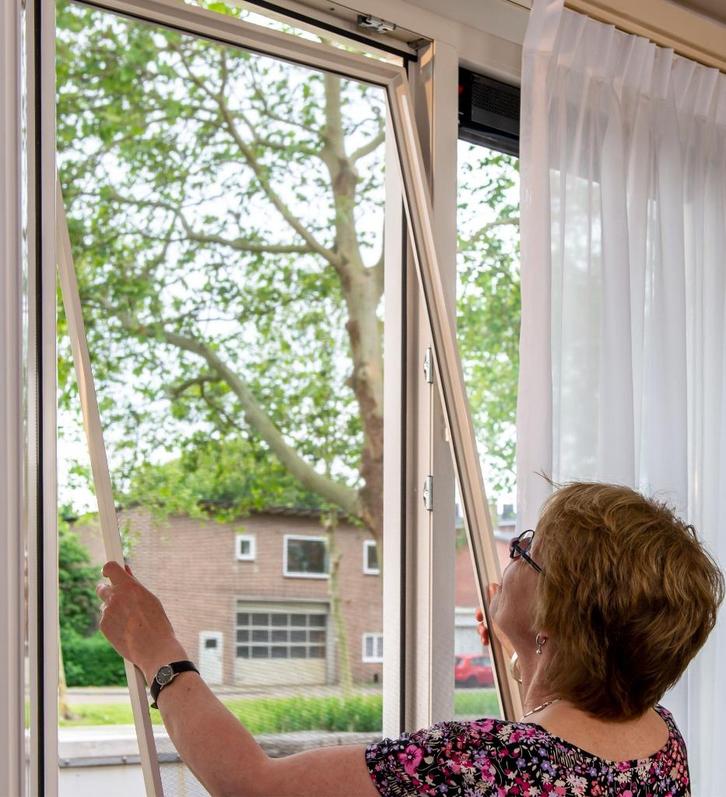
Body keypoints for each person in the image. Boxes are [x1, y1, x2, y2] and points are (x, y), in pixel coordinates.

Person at [97, 482, 723, 796]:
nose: (511, 553)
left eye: (526, 550)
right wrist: (525, 653)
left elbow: (251, 784)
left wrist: (159, 650)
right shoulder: (661, 742)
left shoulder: (476, 762)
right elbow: (559, 736)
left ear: (554, 618)